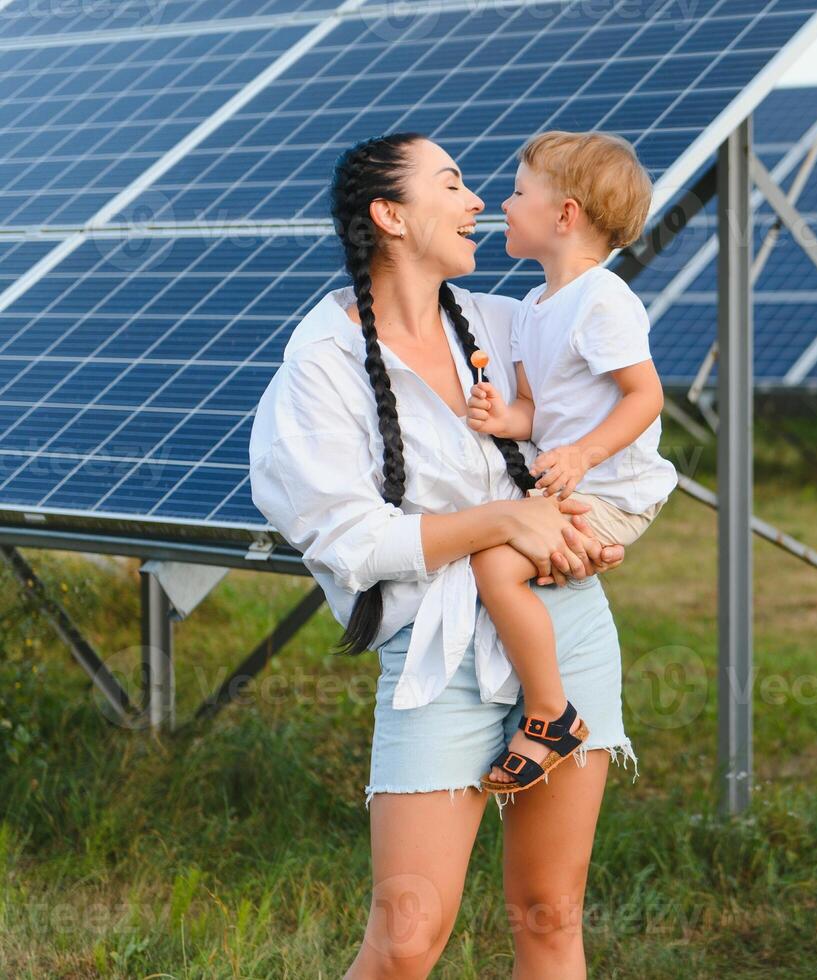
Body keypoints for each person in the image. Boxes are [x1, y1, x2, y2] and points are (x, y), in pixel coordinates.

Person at [249, 131, 636, 978]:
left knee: (549, 913)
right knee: (405, 938)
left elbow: (608, 432)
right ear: (389, 215)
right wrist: (504, 522)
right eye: (453, 183)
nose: (478, 202)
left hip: (564, 631)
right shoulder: (321, 364)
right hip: (436, 651)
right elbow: (348, 539)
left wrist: (581, 533)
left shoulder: (510, 322)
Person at [466, 131, 678, 794]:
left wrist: (585, 453)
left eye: (519, 192)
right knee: (504, 553)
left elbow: (645, 395)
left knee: (495, 566)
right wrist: (505, 420)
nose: (502, 203)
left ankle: (550, 715)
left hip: (616, 492)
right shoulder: (532, 308)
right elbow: (536, 406)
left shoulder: (603, 300)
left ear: (564, 216)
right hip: (570, 488)